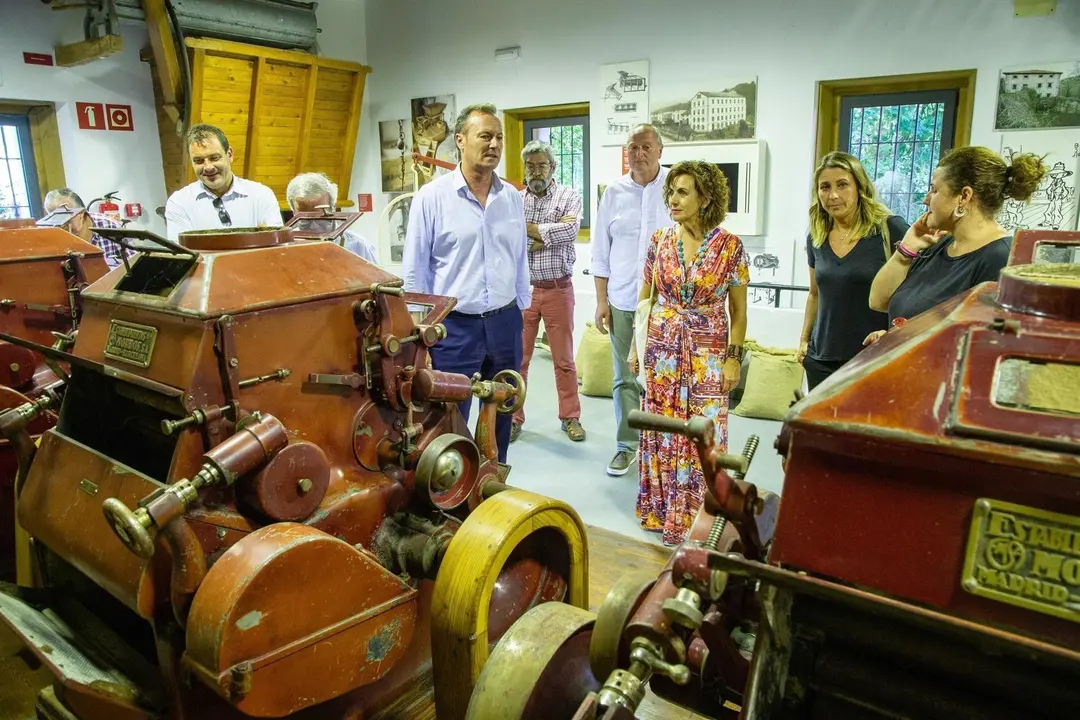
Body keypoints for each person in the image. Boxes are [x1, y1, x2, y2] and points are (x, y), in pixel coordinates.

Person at [402, 103, 530, 464]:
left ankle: (494, 479)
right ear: (460, 140)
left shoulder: (511, 199)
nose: (494, 145)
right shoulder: (432, 197)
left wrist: (521, 305)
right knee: (449, 415)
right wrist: (419, 331)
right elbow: (415, 270)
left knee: (502, 407)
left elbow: (519, 256)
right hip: (453, 327)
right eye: (485, 136)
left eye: (499, 137)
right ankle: (451, 491)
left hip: (504, 322)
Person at [631, 160, 748, 546]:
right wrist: (637, 346)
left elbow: (739, 311)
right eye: (671, 192)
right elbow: (645, 299)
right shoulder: (659, 241)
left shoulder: (730, 246)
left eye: (683, 192)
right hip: (662, 350)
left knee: (704, 429)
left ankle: (701, 513)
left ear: (706, 197)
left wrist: (733, 358)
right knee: (662, 429)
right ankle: (662, 509)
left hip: (708, 352)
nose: (673, 200)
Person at [867, 147, 1048, 337]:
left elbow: (1010, 332)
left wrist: (908, 341)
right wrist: (906, 250)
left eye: (934, 190)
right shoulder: (937, 245)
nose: (926, 199)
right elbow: (878, 301)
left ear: (964, 196)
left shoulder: (1002, 258)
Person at [591, 124, 671, 477]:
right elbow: (600, 252)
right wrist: (601, 301)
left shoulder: (676, 187)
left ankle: (666, 448)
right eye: (633, 147)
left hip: (669, 305)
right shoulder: (613, 193)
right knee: (625, 378)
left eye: (646, 146)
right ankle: (628, 445)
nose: (639, 153)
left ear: (660, 150)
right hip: (623, 300)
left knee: (666, 378)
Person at [797, 152, 909, 390]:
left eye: (843, 185)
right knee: (821, 427)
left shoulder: (889, 229)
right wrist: (804, 341)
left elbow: (915, 289)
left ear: (860, 187)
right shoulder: (816, 237)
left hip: (872, 357)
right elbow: (815, 294)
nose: (833, 195)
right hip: (821, 359)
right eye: (824, 187)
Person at [511, 140, 586, 444]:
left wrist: (530, 229)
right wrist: (545, 233)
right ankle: (513, 418)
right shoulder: (514, 200)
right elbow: (511, 238)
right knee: (518, 360)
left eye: (542, 165)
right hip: (524, 292)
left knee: (564, 361)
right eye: (531, 166)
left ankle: (570, 417)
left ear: (553, 167)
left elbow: (571, 231)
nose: (536, 171)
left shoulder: (569, 195)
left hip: (558, 289)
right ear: (525, 169)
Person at [164, 124, 282, 242]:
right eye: (198, 161)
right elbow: (183, 255)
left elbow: (276, 246)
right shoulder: (179, 202)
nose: (208, 167)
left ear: (229, 154)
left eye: (214, 158)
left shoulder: (261, 195)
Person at [285, 172, 378, 264]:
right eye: (305, 217)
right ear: (293, 212)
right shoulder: (284, 248)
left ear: (333, 207)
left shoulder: (359, 247)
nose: (313, 226)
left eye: (320, 216)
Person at [43, 188, 131, 268]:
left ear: (81, 213)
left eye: (65, 217)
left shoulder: (109, 225)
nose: (60, 225)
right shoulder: (50, 234)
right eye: (53, 218)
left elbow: (135, 263)